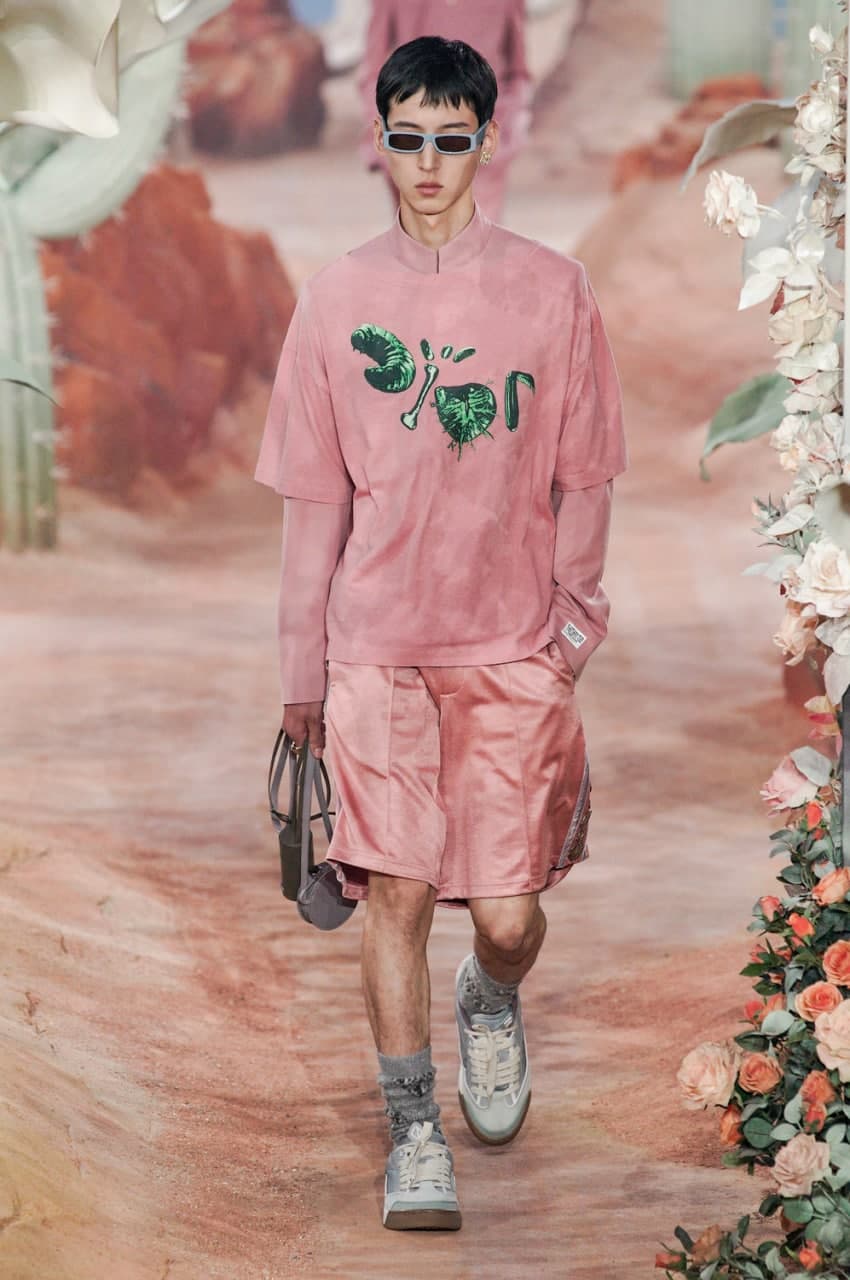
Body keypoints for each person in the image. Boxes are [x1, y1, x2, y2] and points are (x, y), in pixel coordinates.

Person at [254, 35, 626, 1233]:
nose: (427, 163)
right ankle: (413, 1129)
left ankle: (491, 996)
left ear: (485, 140)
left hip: (511, 649)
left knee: (508, 917)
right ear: (379, 141)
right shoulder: (336, 300)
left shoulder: (551, 290)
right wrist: (303, 675)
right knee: (396, 898)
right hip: (376, 652)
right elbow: (314, 508)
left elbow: (586, 472)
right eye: (406, 138)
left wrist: (569, 630)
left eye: (449, 140)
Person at [357, 1, 532, 222]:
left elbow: (518, 72)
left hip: (479, 144)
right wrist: (385, 135)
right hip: (414, 145)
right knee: (424, 237)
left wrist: (511, 131)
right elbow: (372, 71)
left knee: (474, 234)